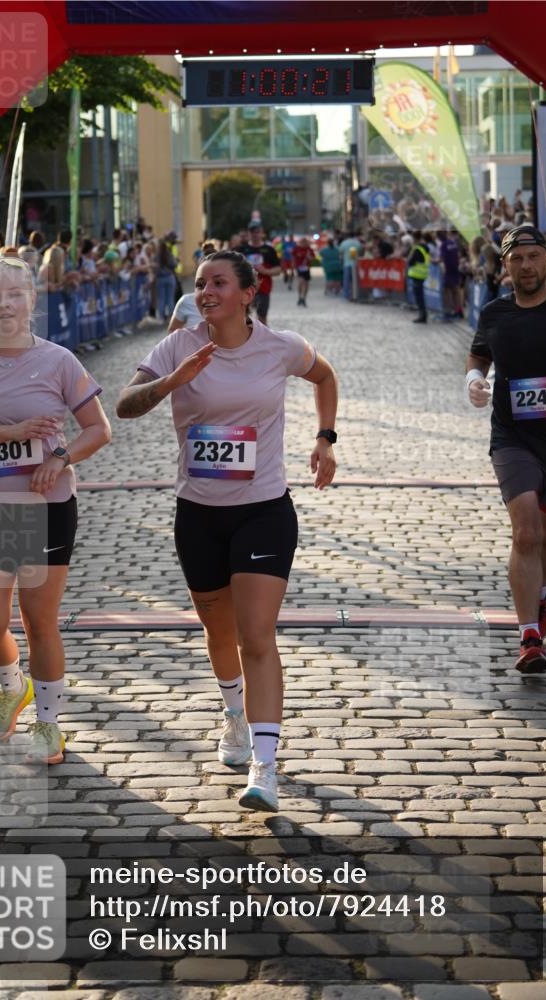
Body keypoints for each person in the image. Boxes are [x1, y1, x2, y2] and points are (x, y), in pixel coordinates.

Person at [116, 250, 338, 813]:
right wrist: (172, 381)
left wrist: (325, 438)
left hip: (263, 509)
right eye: (199, 283)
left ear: (247, 292)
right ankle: (234, 717)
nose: (207, 290)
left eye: (218, 282)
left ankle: (266, 765)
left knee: (256, 635)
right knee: (219, 632)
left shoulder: (279, 345)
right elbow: (124, 406)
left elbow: (325, 375)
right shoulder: (177, 345)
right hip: (198, 514)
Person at [0, 257, 112, 762]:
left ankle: (50, 726)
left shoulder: (58, 360)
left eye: (15, 294)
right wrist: (11, 433)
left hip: (47, 504)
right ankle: (14, 687)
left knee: (39, 619)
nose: (4, 304)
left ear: (33, 300)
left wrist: (59, 459)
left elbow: (99, 429)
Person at [465, 225, 546, 673]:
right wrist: (474, 379)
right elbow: (480, 353)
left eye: (533, 256)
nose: (526, 266)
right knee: (526, 531)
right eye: (516, 259)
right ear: (504, 266)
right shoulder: (494, 312)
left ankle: (540, 596)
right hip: (512, 435)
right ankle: (529, 635)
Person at [237, 222, 280, 323]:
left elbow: (278, 270)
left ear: (262, 233)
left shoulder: (269, 250)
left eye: (257, 232)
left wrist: (265, 271)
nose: (255, 234)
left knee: (262, 317)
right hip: (244, 288)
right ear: (249, 233)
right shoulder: (241, 250)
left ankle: (263, 337)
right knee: (244, 317)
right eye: (252, 232)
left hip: (263, 288)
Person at [407, 230, 430, 324]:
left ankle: (422, 315)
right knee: (420, 296)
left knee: (419, 297)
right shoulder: (425, 247)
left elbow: (411, 261)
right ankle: (423, 314)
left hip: (417, 274)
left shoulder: (417, 249)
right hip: (423, 274)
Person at [155, 237, 178, 320]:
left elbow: (155, 267)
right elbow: (174, 264)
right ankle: (171, 317)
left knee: (161, 298)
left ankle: (161, 316)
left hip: (160, 278)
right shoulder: (169, 254)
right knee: (170, 298)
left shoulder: (156, 256)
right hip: (169, 277)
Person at [292, 236, 316, 307]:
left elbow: (313, 259)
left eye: (305, 241)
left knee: (306, 284)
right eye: (302, 241)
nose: (304, 243)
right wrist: (293, 266)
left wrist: (309, 257)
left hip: (306, 268)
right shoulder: (296, 249)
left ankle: (304, 298)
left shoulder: (309, 249)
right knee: (301, 282)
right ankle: (300, 297)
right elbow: (293, 257)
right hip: (299, 268)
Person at [338, 230, 362, 301]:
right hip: (356, 264)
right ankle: (356, 294)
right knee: (355, 281)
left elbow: (341, 253)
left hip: (347, 263)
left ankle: (346, 296)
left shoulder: (344, 243)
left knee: (346, 281)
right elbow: (360, 252)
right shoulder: (357, 243)